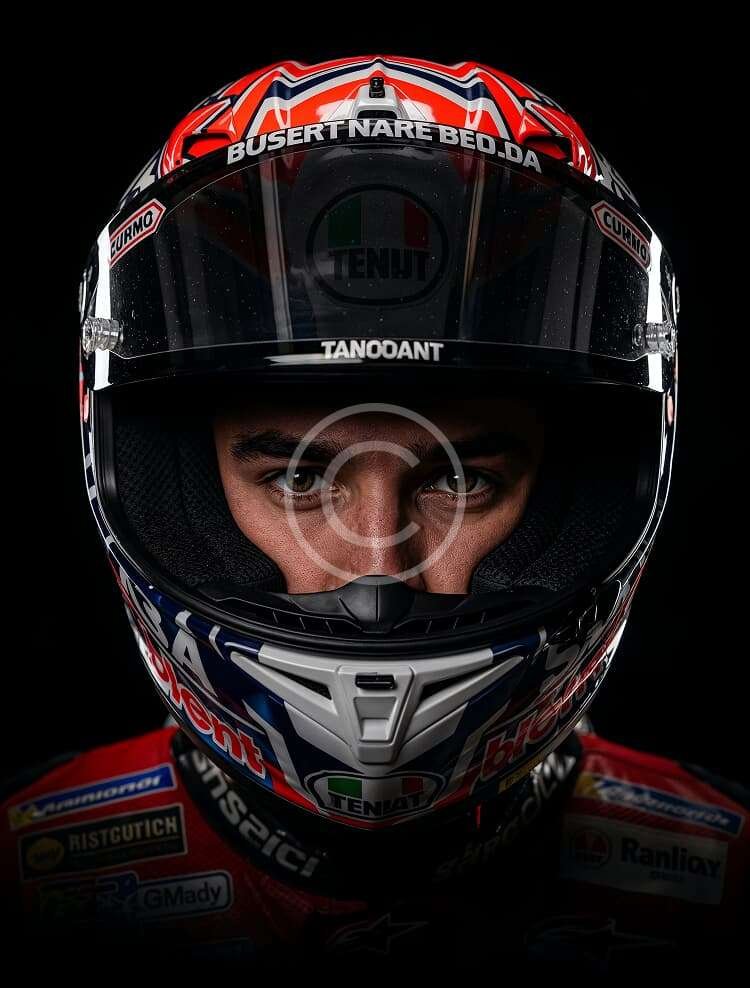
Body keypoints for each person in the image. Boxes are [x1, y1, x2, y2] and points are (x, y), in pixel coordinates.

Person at [2, 55, 746, 972]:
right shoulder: (23, 878)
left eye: (459, 482)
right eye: (299, 479)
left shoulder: (725, 882)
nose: (376, 572)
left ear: (574, 493)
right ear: (174, 481)